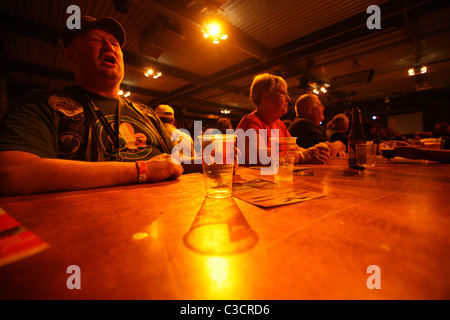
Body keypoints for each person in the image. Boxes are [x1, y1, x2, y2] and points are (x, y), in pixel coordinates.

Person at [0, 16, 184, 196]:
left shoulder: (146, 113)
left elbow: (174, 162)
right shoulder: (42, 104)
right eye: (97, 40)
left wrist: (210, 158)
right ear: (72, 54)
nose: (109, 46)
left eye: (115, 44)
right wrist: (142, 170)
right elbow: (12, 172)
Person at [235, 73, 330, 165]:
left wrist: (317, 152)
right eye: (283, 93)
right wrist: (303, 156)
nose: (288, 98)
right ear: (265, 98)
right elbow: (255, 154)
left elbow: (295, 149)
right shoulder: (251, 121)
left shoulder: (280, 124)